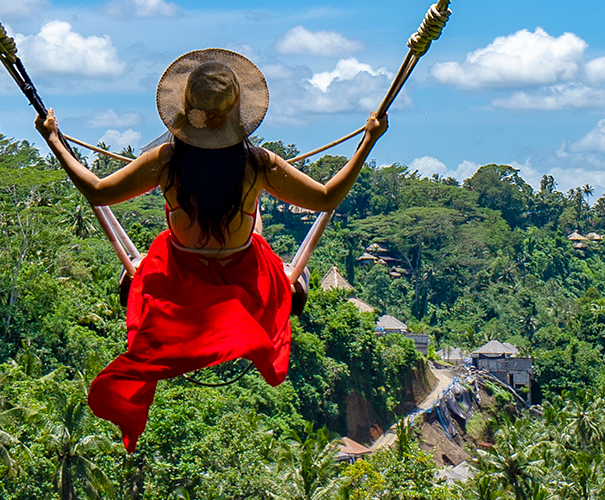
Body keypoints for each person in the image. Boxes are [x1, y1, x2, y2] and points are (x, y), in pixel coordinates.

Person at [38, 47, 387, 449]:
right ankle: (244, 230)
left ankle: (207, 240)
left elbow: (97, 190)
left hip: (177, 278)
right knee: (268, 246)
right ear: (238, 114)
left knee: (141, 267)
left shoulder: (166, 160)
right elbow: (326, 197)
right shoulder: (257, 163)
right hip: (244, 275)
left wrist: (53, 141)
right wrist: (368, 143)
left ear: (185, 112)